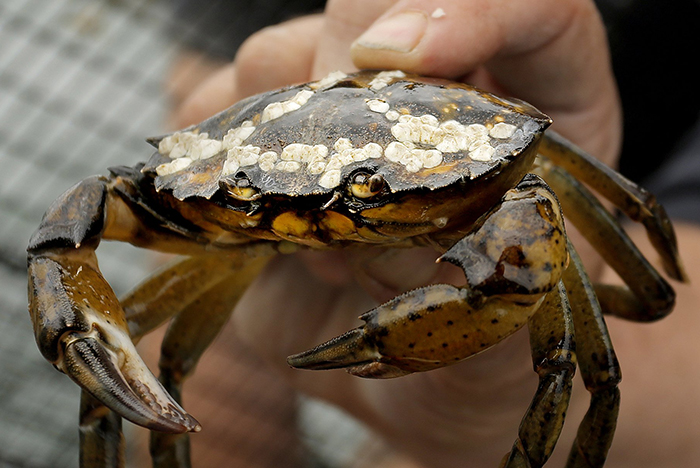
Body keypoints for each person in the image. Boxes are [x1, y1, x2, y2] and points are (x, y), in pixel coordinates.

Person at [166, 1, 700, 466]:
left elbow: (643, 308)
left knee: (571, 369)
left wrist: (485, 390)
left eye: (370, 189)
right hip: (266, 304)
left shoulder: (528, 185)